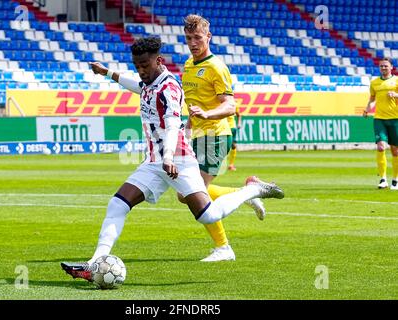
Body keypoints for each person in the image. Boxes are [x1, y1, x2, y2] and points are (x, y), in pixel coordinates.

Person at [61, 37, 284, 281]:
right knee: (117, 204)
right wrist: (107, 73)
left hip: (178, 159)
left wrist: (168, 157)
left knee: (207, 215)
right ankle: (95, 263)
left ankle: (251, 191)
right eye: (137, 66)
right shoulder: (149, 83)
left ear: (158, 61)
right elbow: (137, 86)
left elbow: (173, 124)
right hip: (153, 162)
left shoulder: (169, 88)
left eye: (145, 65)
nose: (141, 71)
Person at [181, 14, 267, 262]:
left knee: (194, 193)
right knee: (183, 194)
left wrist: (207, 114)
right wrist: (188, 127)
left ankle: (223, 247)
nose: (193, 42)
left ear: (208, 36)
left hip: (215, 135)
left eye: (197, 37)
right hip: (197, 135)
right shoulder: (188, 65)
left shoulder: (216, 67)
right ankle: (248, 192)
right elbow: (194, 105)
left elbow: (230, 105)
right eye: (189, 38)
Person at [363, 57, 398, 190]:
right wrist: (367, 108)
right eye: (381, 66)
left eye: (385, 66)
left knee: (395, 151)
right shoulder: (374, 82)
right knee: (381, 147)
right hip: (380, 119)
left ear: (391, 67)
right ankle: (383, 179)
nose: (383, 68)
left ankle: (395, 179)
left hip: (395, 119)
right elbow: (372, 98)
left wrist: (395, 95)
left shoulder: (396, 81)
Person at [227, 106, 242, 171]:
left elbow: (238, 115)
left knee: (233, 146)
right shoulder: (218, 102)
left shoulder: (235, 104)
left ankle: (231, 164)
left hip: (232, 127)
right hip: (222, 127)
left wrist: (239, 123)